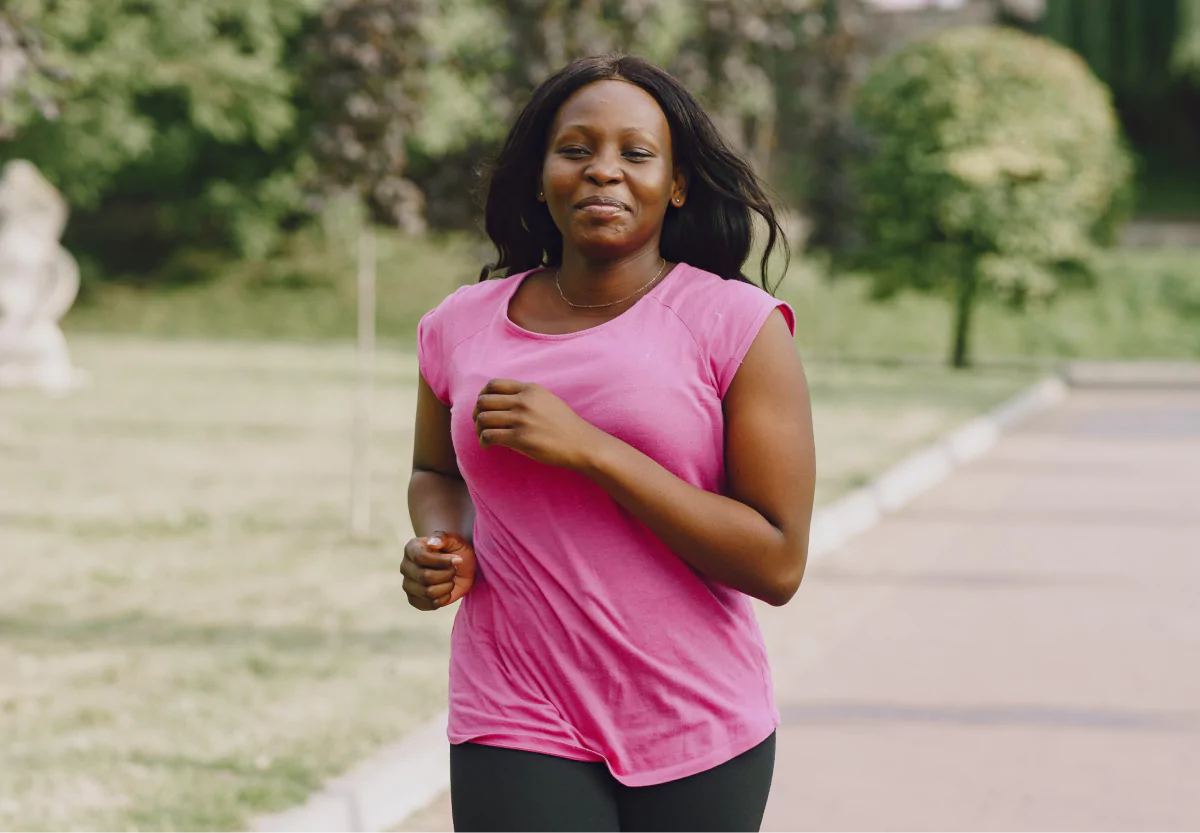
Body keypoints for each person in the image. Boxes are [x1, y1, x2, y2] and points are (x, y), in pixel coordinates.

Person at [401, 53, 816, 833]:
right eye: (575, 149)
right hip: (515, 703)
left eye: (635, 153)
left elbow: (777, 561)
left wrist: (591, 448)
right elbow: (435, 469)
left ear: (678, 182)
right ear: (538, 174)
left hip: (693, 718)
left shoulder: (737, 324)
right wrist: (440, 538)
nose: (603, 172)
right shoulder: (459, 323)